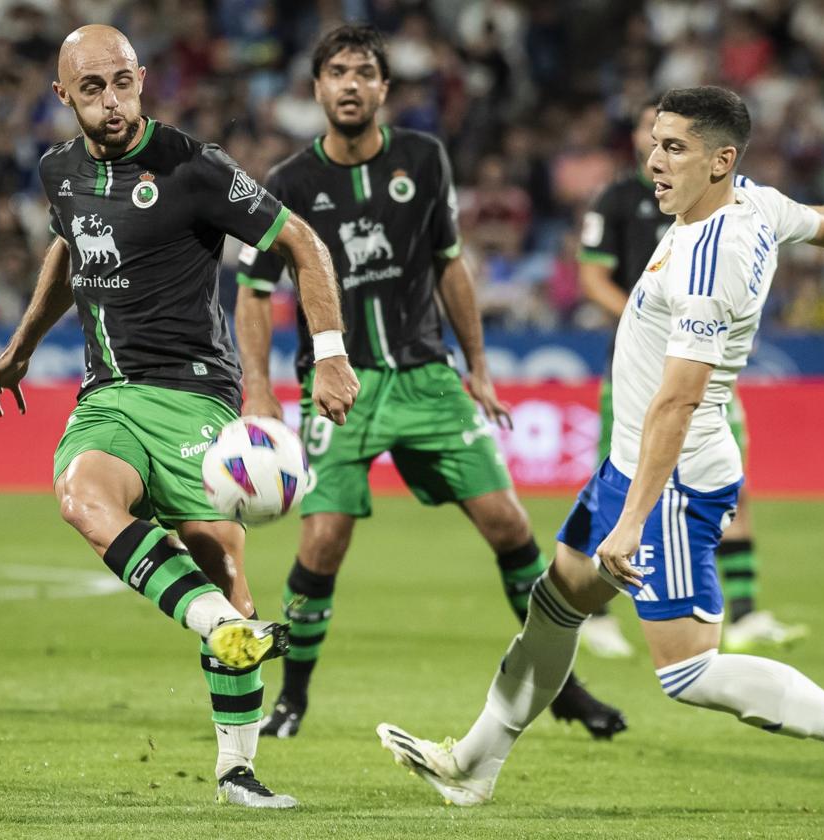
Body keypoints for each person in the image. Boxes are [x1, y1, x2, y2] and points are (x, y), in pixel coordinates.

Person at [378, 86, 824, 818]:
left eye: (674, 148)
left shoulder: (714, 262)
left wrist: (633, 517)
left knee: (689, 671)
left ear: (721, 160)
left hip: (669, 480)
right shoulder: (750, 205)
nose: (654, 162)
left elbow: (677, 402)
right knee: (554, 605)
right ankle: (475, 766)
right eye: (654, 144)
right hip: (632, 464)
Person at [0, 25, 359, 810]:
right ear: (63, 97)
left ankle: (237, 771)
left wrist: (331, 350)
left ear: (142, 79)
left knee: (225, 566)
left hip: (193, 396)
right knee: (82, 496)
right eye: (92, 89)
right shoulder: (59, 172)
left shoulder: (193, 167)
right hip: (109, 396)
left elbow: (303, 243)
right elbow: (68, 251)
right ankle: (217, 625)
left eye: (122, 83)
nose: (111, 102)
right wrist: (17, 351)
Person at [235, 24, 625, 741]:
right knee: (322, 542)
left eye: (363, 72)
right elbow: (254, 290)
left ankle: (563, 688)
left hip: (426, 377)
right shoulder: (289, 183)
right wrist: (256, 390)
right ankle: (291, 697)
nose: (350, 84)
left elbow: (450, 263)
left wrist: (477, 366)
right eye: (336, 73)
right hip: (340, 388)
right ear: (317, 89)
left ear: (384, 88)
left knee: (510, 525)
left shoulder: (423, 158)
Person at [578, 104, 805, 653]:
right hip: (640, 374)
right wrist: (647, 319)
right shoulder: (617, 199)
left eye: (672, 141)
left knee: (733, 488)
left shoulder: (734, 206)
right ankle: (595, 613)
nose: (655, 148)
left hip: (700, 369)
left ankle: (748, 612)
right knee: (615, 486)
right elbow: (592, 277)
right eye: (648, 132)